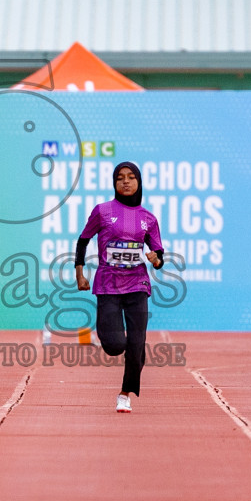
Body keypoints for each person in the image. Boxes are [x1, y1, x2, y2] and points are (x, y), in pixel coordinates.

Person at [74, 162, 165, 413]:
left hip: (138, 285)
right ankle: (118, 343)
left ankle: (125, 394)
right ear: (114, 183)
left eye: (131, 177)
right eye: (120, 178)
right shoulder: (103, 211)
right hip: (107, 284)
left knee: (137, 344)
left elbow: (158, 252)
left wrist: (156, 259)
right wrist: (79, 274)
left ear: (139, 182)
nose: (126, 182)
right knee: (115, 346)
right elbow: (83, 240)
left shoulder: (148, 218)